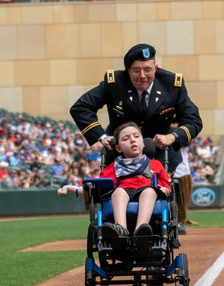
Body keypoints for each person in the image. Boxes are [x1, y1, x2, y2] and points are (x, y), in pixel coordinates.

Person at [70, 43, 203, 178]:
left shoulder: (172, 85)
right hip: (120, 154)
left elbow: (194, 120)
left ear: (155, 69)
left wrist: (172, 137)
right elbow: (80, 108)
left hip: (162, 154)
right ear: (128, 71)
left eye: (147, 69)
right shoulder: (114, 83)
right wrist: (102, 137)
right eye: (136, 70)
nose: (142, 76)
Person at [98, 121, 171, 242]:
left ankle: (141, 230)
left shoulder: (155, 164)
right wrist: (72, 189)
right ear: (118, 148)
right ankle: (121, 229)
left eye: (136, 137)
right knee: (118, 192)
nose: (132, 140)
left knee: (149, 191)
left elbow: (166, 184)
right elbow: (101, 186)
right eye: (126, 138)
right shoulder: (113, 167)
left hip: (146, 191)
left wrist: (164, 189)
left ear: (143, 144)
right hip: (123, 192)